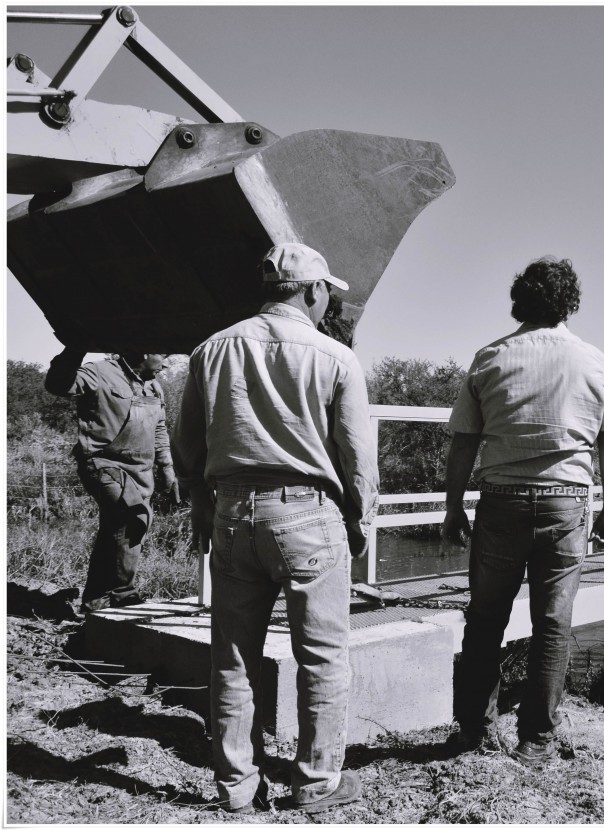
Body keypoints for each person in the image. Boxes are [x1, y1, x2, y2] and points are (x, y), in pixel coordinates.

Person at [175, 242, 378, 814]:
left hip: (233, 513)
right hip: (309, 514)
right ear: (313, 291)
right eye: (326, 294)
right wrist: (359, 519)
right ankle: (317, 784)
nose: (326, 302)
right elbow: (358, 454)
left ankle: (236, 787)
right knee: (322, 655)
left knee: (233, 656)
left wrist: (201, 502)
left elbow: (188, 443)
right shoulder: (336, 357)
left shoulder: (210, 351)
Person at [442, 256, 604, 768]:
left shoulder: (489, 358)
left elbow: (463, 444)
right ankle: (537, 740)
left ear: (520, 299)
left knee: (484, 620)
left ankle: (475, 732)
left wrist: (454, 506)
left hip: (500, 500)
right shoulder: (594, 362)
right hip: (565, 503)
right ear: (570, 302)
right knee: (552, 624)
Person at [45, 350, 175, 614]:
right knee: (129, 516)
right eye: (163, 355)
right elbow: (59, 386)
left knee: (125, 526)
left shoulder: (155, 386)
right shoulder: (99, 371)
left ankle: (97, 598)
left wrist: (168, 469)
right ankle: (119, 593)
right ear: (145, 352)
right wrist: (74, 348)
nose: (167, 362)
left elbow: (159, 429)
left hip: (141, 470)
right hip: (103, 463)